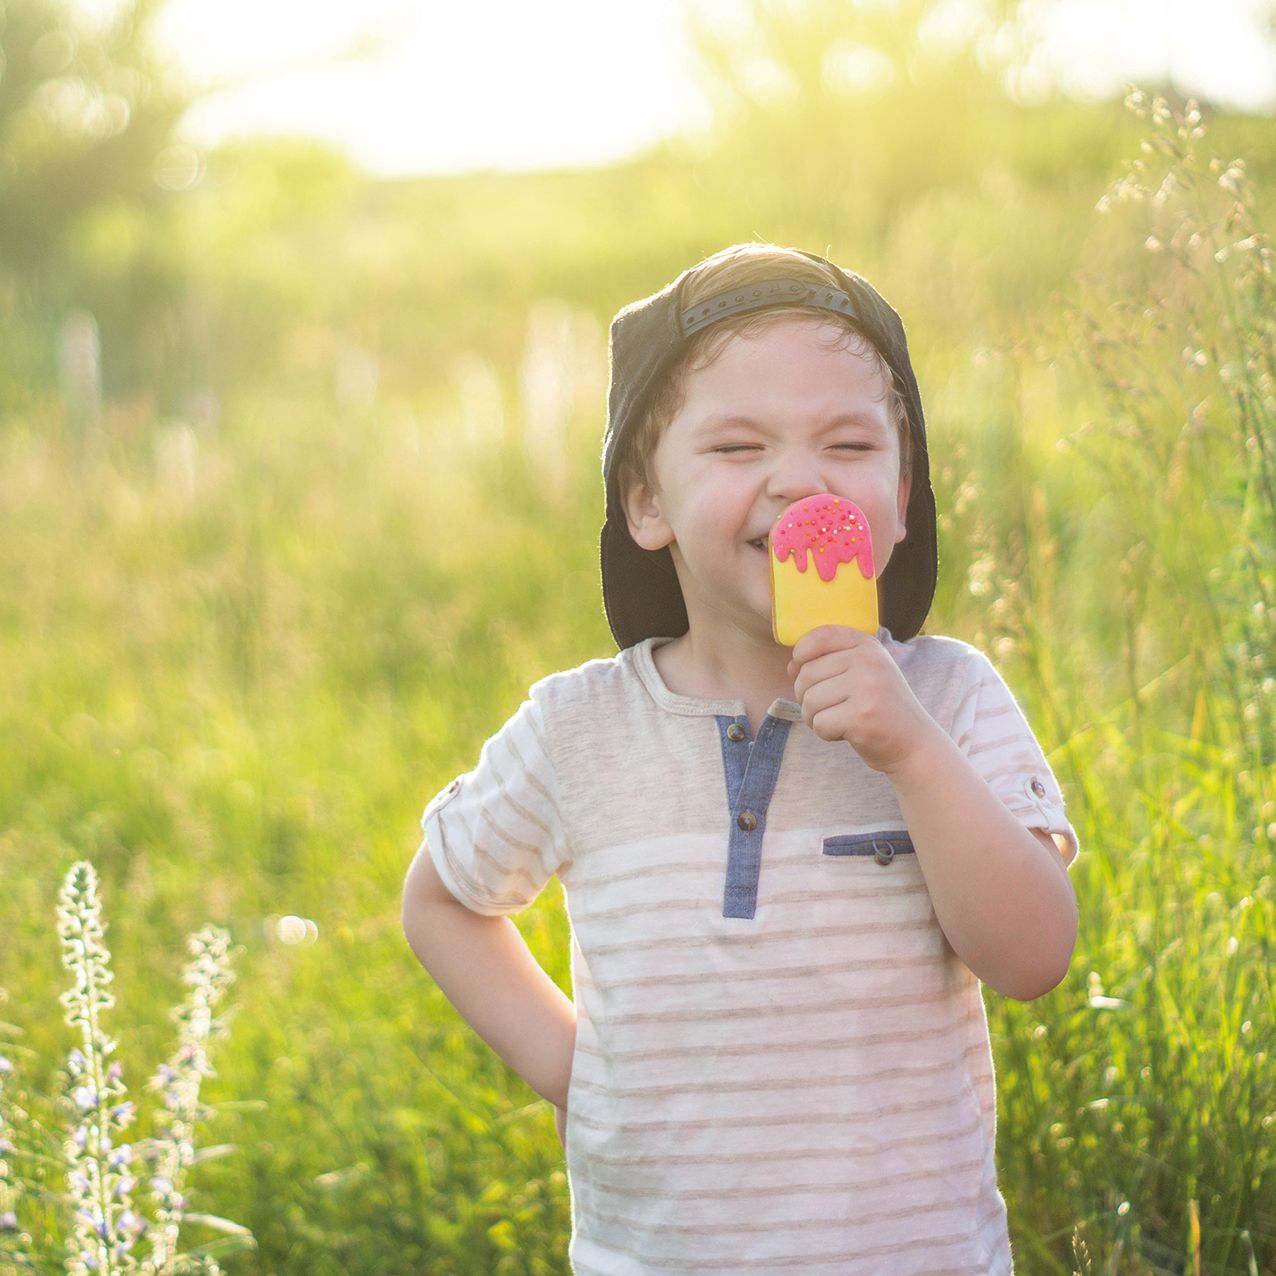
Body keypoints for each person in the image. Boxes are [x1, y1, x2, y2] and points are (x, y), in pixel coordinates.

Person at [401, 242, 1080, 1274]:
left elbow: (1031, 957)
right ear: (647, 504)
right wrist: (582, 1075)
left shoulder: (948, 699)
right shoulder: (577, 729)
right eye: (735, 447)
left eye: (849, 444)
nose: (799, 480)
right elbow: (443, 899)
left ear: (901, 497)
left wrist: (909, 751)